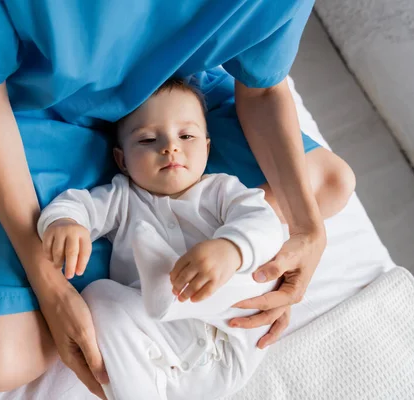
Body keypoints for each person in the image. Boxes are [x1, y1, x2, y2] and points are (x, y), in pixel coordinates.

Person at [0, 0, 355, 397]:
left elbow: (262, 90)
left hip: (171, 95)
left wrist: (299, 232)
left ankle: (174, 249)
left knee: (329, 184)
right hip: (28, 107)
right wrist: (48, 282)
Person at [36, 79, 354, 399]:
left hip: (233, 332)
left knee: (264, 260)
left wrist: (230, 250)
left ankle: (170, 290)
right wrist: (66, 222)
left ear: (206, 147)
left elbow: (264, 223)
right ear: (122, 160)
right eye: (147, 140)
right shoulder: (120, 198)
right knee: (98, 298)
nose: (170, 147)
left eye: (186, 136)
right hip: (165, 350)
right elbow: (77, 205)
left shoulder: (222, 191)